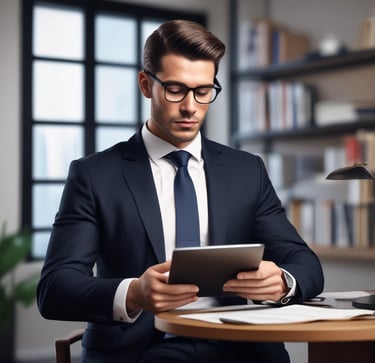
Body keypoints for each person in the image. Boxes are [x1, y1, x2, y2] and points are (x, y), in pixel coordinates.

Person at [37, 19, 324, 363]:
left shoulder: (246, 170)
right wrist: (133, 293)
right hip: (140, 351)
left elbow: (306, 264)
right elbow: (55, 288)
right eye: (175, 89)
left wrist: (282, 282)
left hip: (240, 346)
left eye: (203, 91)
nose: (191, 106)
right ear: (146, 84)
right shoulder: (94, 175)